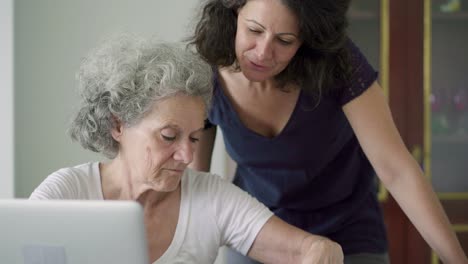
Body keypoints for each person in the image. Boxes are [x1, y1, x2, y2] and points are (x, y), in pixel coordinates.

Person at [188, 0, 468, 263]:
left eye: (284, 40)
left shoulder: (339, 64)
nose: (262, 52)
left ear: (306, 40)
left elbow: (396, 170)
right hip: (258, 231)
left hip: (348, 232)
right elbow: (196, 183)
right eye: (254, 30)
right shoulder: (204, 73)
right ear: (235, 11)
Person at [29, 34, 345, 264]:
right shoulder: (67, 193)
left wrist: (321, 251)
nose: (187, 156)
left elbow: (307, 249)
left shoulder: (212, 198)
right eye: (169, 136)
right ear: (118, 125)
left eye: (194, 138)